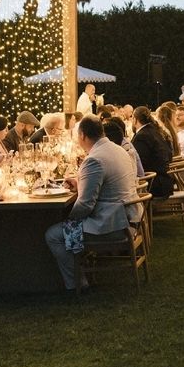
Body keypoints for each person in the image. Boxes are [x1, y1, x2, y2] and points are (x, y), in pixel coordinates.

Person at [45, 116, 143, 294]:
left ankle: (76, 283)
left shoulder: (94, 159)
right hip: (130, 219)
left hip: (112, 226)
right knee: (67, 228)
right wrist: (80, 183)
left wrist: (66, 218)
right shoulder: (117, 149)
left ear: (82, 135)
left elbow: (85, 205)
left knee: (53, 234)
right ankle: (80, 272)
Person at [131, 106, 174, 198]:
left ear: (135, 120)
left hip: (154, 184)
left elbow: (138, 164)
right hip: (165, 181)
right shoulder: (156, 131)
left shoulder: (141, 136)